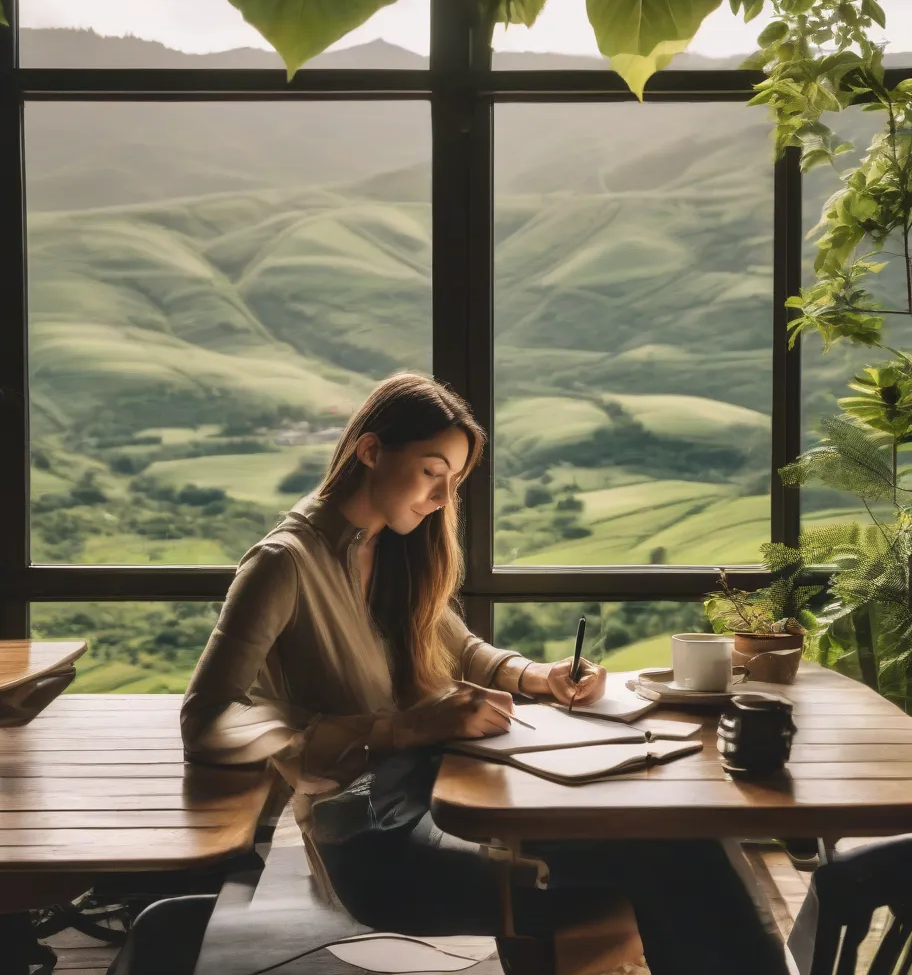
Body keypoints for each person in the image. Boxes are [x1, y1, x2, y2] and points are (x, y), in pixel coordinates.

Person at [181, 372, 788, 975]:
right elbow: (207, 718)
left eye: (453, 481)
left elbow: (462, 649)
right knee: (677, 861)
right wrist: (397, 730)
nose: (443, 499)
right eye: (430, 471)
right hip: (373, 839)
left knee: (687, 834)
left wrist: (540, 676)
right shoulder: (282, 563)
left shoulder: (390, 545)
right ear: (369, 451)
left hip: (447, 787)